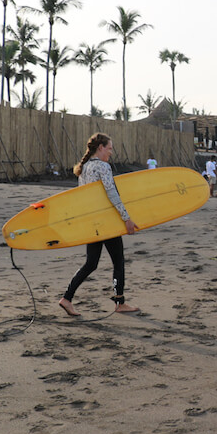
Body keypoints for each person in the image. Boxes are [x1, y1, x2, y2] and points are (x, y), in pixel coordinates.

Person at [59, 133, 140, 316]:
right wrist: (126, 218)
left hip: (92, 222)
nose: (111, 152)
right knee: (118, 261)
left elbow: (82, 197)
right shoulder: (103, 167)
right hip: (106, 222)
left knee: (91, 263)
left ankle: (67, 298)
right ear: (100, 147)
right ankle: (120, 303)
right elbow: (112, 194)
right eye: (109, 148)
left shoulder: (85, 167)